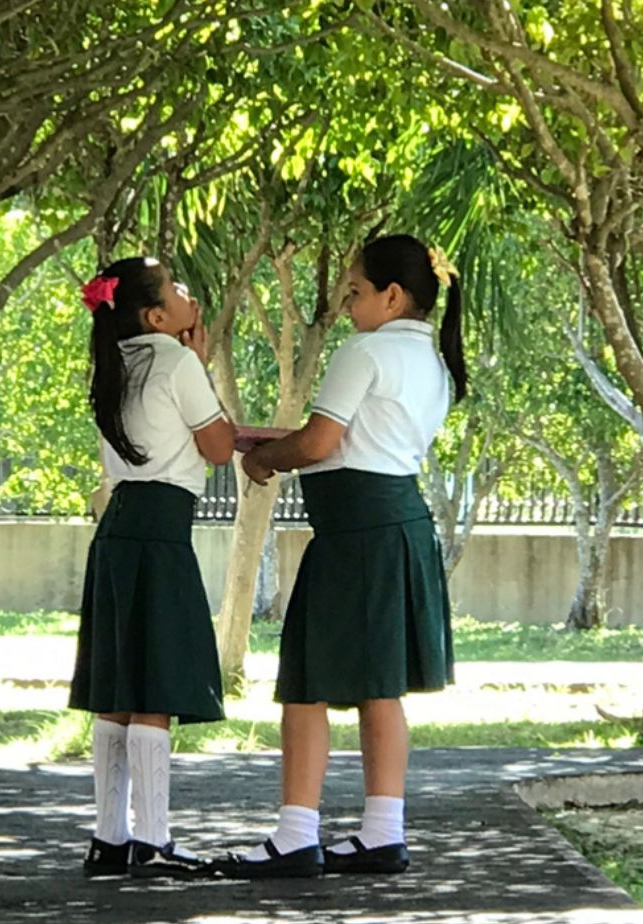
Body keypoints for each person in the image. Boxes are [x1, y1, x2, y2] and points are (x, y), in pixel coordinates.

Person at [215, 234, 467, 879]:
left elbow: (323, 442)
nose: (348, 307)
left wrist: (265, 456)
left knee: (307, 684)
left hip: (354, 533)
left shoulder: (367, 350)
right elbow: (359, 441)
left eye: (355, 292)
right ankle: (383, 832)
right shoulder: (434, 363)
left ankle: (295, 834)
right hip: (399, 524)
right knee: (380, 688)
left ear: (393, 295)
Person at [68, 256, 236, 879]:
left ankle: (109, 839)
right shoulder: (175, 361)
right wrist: (201, 361)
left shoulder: (119, 362)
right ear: (157, 314)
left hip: (119, 525)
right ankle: (156, 841)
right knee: (156, 685)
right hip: (163, 528)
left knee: (117, 689)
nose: (189, 293)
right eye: (176, 288)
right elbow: (217, 449)